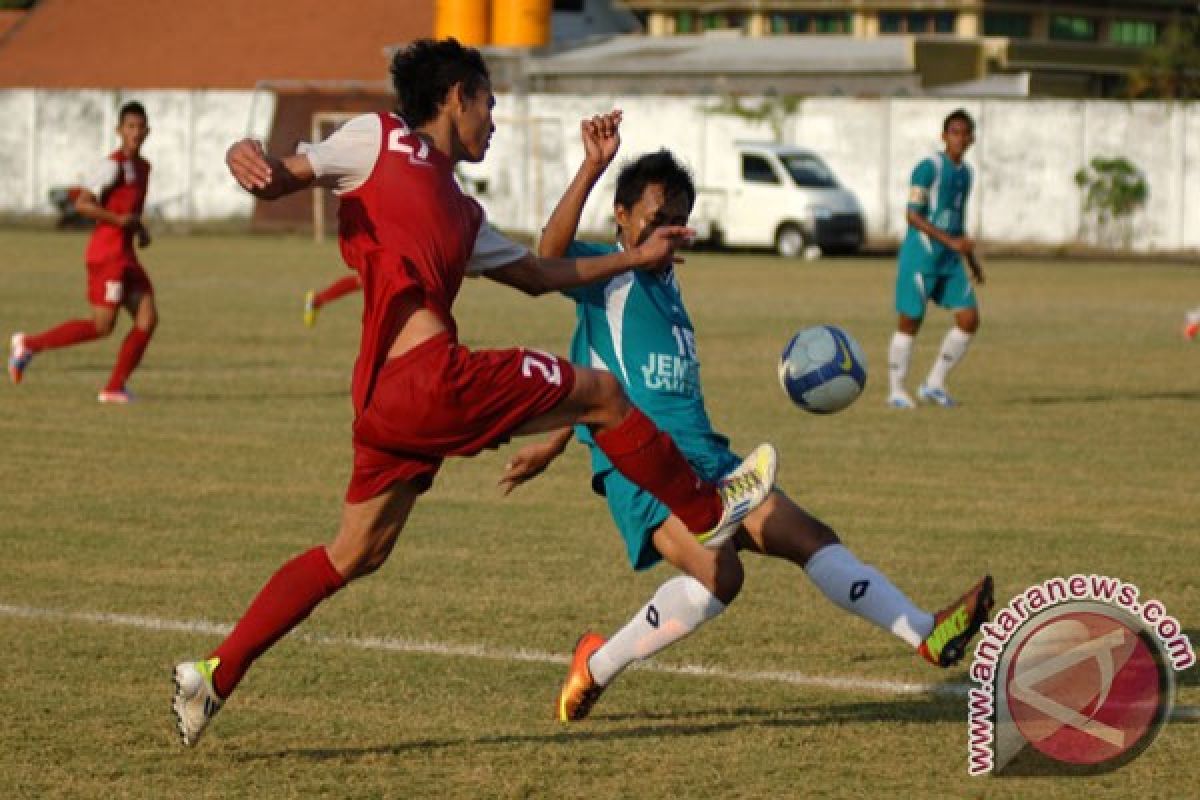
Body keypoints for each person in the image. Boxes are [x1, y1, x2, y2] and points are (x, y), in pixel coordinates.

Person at [171, 39, 776, 747]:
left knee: (355, 553)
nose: (494, 119)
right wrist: (245, 152)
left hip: (385, 405)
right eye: (489, 103)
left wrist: (636, 257)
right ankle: (708, 510)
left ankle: (214, 673)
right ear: (457, 96)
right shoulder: (379, 138)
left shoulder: (464, 213)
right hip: (429, 380)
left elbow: (540, 274)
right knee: (603, 394)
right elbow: (283, 175)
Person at [498, 112, 994, 723]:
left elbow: (594, 369)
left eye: (677, 223)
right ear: (622, 218)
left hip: (709, 458)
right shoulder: (605, 275)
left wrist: (554, 442)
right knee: (720, 575)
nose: (666, 235)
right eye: (654, 221)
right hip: (640, 471)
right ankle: (596, 664)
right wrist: (594, 167)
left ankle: (926, 632)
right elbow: (547, 256)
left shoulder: (668, 289)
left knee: (813, 538)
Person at [8, 101, 158, 404]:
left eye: (141, 127)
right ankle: (28, 345)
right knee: (102, 326)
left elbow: (129, 211)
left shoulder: (143, 167)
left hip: (125, 253)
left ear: (148, 131)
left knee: (147, 319)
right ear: (119, 130)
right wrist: (119, 221)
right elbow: (83, 203)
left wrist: (139, 230)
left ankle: (115, 387)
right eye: (130, 127)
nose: (136, 133)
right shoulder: (111, 165)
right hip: (107, 254)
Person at [886, 109, 984, 410]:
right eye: (954, 132)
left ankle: (934, 384)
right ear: (944, 136)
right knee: (910, 322)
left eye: (965, 133)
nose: (960, 138)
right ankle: (897, 390)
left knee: (969, 319)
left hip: (950, 260)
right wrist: (950, 242)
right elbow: (912, 215)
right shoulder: (929, 168)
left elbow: (955, 220)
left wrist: (971, 260)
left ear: (972, 138)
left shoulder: (965, 173)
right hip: (922, 258)